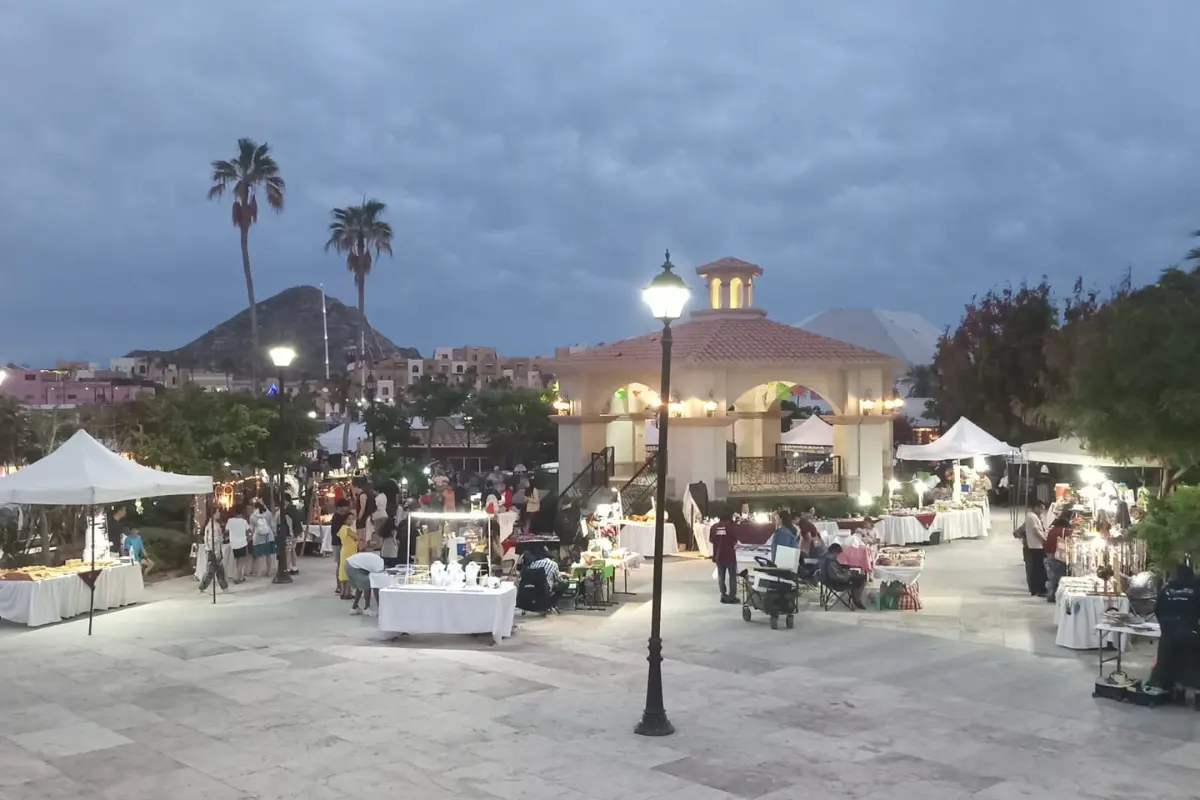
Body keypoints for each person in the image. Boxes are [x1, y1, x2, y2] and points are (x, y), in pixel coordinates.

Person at [1147, 563, 1200, 694]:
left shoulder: (1166, 590)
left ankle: (1177, 692)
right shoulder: (1196, 590)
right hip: (1190, 632)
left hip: (1169, 632)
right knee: (1193, 662)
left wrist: (1165, 626)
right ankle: (1197, 696)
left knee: (1171, 659)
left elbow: (1157, 610)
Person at [820, 542, 867, 609]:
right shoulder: (830, 561)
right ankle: (856, 599)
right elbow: (838, 577)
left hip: (832, 579)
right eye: (837, 554)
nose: (837, 556)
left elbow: (836, 571)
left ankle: (855, 596)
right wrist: (848, 573)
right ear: (834, 551)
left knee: (858, 576)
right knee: (862, 577)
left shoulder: (826, 558)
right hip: (836, 582)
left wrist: (844, 568)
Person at [708, 511, 739, 604]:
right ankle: (732, 596)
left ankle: (723, 594)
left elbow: (711, 540)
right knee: (732, 575)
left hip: (718, 555)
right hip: (729, 554)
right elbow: (735, 539)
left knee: (721, 576)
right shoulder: (731, 526)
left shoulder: (714, 527)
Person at [344, 550, 386, 616]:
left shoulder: (379, 561)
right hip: (353, 566)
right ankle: (367, 608)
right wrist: (380, 607)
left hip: (349, 563)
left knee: (360, 586)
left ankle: (354, 608)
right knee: (367, 585)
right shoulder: (379, 567)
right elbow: (376, 587)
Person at [198, 508, 228, 593]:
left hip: (213, 551)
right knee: (214, 571)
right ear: (214, 514)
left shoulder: (213, 524)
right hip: (213, 551)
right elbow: (213, 541)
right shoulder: (213, 526)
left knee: (216, 570)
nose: (219, 513)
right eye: (217, 512)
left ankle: (223, 587)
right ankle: (223, 587)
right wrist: (216, 552)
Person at [1043, 515, 1072, 602]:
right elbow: (1070, 533)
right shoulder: (1064, 530)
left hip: (1048, 554)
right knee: (1058, 576)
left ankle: (1050, 595)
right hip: (1058, 555)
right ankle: (1054, 596)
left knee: (1052, 576)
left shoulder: (1052, 530)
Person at [1023, 501, 1049, 597]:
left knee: (1038, 569)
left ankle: (1038, 588)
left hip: (1036, 545)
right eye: (1041, 508)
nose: (1042, 511)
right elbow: (1036, 530)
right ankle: (1038, 589)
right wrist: (1045, 540)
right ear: (1035, 507)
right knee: (1037, 569)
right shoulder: (1031, 517)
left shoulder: (1034, 516)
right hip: (1035, 546)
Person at [328, 498, 351, 594]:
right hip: (337, 543)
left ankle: (347, 586)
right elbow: (335, 532)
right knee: (340, 564)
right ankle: (339, 586)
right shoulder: (336, 517)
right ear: (340, 507)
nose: (347, 508)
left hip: (346, 543)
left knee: (347, 565)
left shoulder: (347, 515)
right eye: (345, 506)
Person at [225, 502, 252, 584]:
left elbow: (226, 531)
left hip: (234, 544)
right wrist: (248, 539)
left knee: (237, 560)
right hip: (242, 543)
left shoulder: (230, 521)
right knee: (242, 561)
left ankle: (239, 575)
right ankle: (237, 577)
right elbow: (249, 532)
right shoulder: (243, 522)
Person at [337, 510, 360, 600]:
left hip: (344, 550)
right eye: (349, 519)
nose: (351, 521)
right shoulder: (347, 529)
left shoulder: (342, 529)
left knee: (343, 571)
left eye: (352, 519)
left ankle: (343, 592)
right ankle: (347, 593)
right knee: (349, 572)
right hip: (349, 551)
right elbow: (356, 537)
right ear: (345, 520)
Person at [249, 500, 275, 577]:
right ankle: (269, 571)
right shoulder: (268, 513)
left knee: (259, 555)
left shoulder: (253, 516)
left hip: (259, 537)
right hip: (269, 535)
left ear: (254, 507)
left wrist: (251, 536)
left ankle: (259, 571)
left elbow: (252, 528)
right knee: (268, 554)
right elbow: (272, 524)